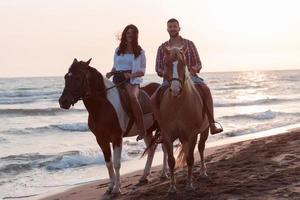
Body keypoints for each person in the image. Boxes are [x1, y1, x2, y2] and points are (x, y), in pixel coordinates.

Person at [155, 18, 223, 135]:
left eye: (174, 26)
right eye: (170, 27)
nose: (172, 29)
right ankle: (161, 128)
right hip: (170, 79)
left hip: (190, 77)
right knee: (154, 98)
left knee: (206, 90)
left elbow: (198, 63)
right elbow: (158, 68)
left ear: (179, 28)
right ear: (167, 29)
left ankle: (211, 123)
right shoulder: (162, 47)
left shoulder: (189, 44)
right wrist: (166, 72)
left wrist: (194, 69)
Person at [106, 24, 146, 141]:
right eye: (128, 33)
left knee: (132, 97)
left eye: (132, 34)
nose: (130, 36)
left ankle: (142, 128)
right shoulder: (118, 50)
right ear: (125, 34)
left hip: (132, 80)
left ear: (135, 36)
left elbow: (142, 71)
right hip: (118, 78)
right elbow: (115, 66)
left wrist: (131, 75)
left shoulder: (139, 51)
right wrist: (111, 73)